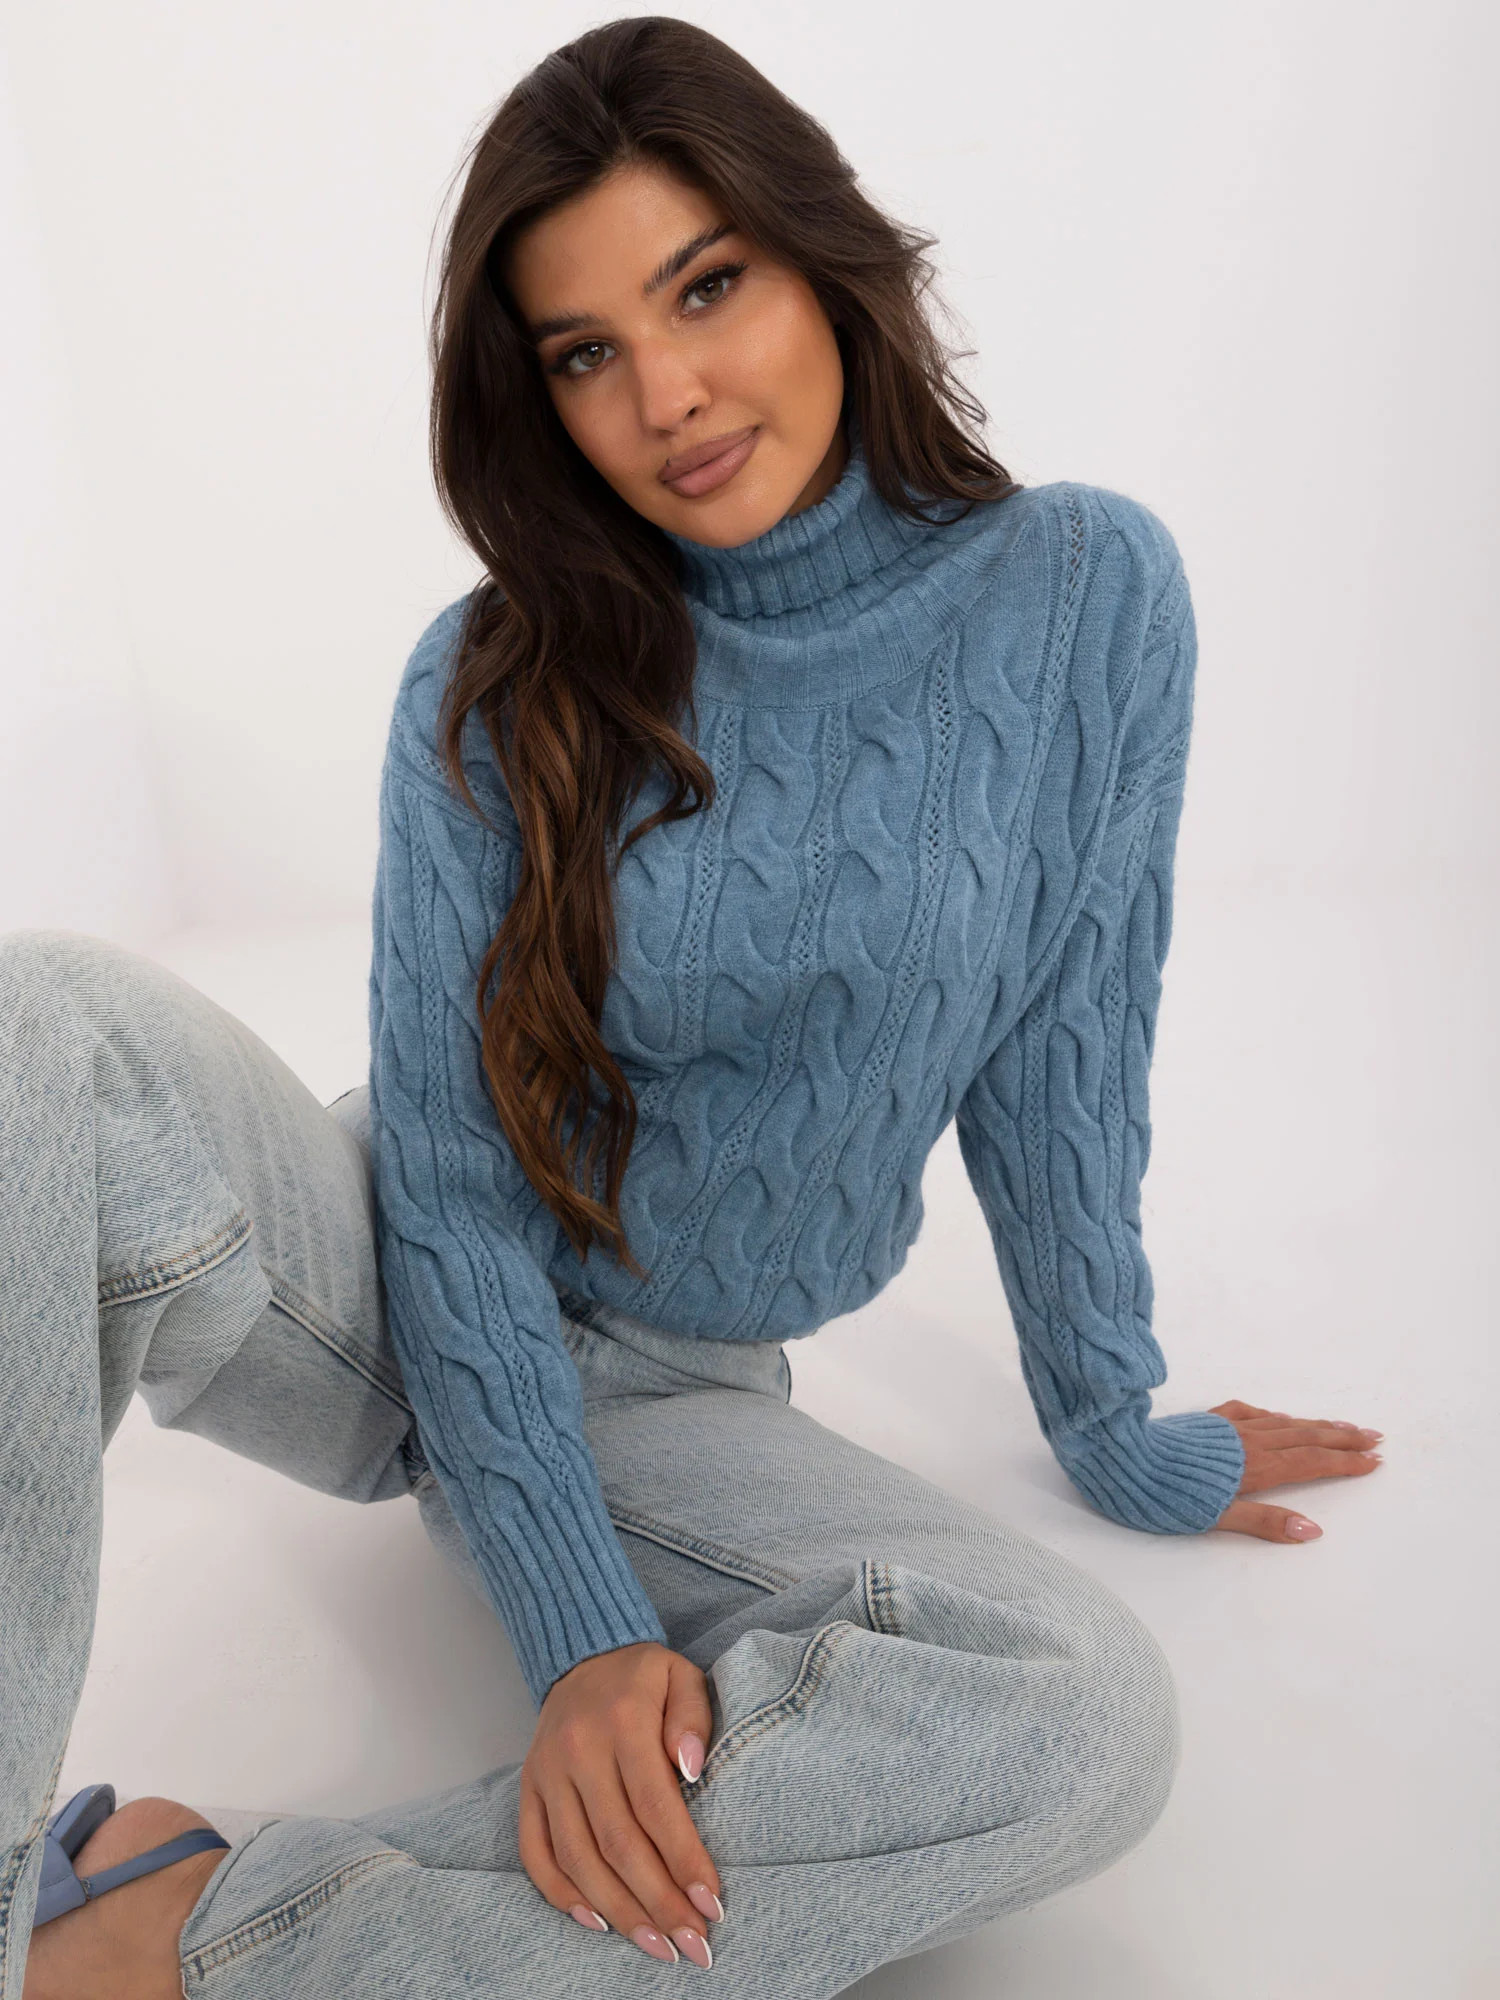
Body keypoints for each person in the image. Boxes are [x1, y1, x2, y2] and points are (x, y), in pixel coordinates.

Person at [1, 16, 1385, 1998]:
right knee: (37, 1030)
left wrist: (1112, 1415)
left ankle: (194, 1937)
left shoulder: (1084, 596)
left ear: (823, 256)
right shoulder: (492, 680)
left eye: (706, 287)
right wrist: (581, 1631)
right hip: (385, 1282)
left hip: (669, 1391)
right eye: (584, 352)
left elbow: (1068, 1031)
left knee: (1079, 1710)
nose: (665, 395)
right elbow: (450, 1187)